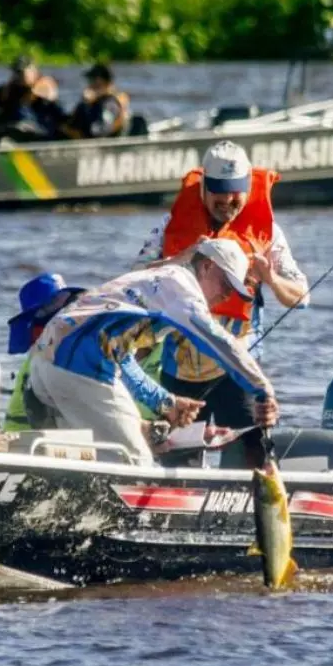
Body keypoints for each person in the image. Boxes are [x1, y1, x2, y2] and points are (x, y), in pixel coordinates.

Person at [131, 141, 309, 470]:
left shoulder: (268, 234)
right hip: (179, 372)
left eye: (235, 194)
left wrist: (269, 278)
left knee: (254, 463)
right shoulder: (170, 227)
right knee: (176, 467)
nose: (227, 202)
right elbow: (133, 280)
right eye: (219, 194)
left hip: (236, 375)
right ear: (202, 189)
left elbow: (302, 296)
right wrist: (181, 258)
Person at [28, 238, 280, 465]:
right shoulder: (181, 287)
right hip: (76, 368)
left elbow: (116, 354)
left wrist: (165, 401)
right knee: (136, 462)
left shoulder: (152, 282)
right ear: (207, 266)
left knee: (83, 457)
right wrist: (262, 388)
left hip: (45, 364)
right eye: (226, 284)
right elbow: (219, 341)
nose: (227, 295)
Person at [3, 273, 86, 432]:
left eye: (68, 300)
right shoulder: (51, 351)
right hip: (25, 437)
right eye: (57, 303)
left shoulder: (49, 347)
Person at [0, 54, 66, 144]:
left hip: (36, 138)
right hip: (8, 136)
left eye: (21, 72)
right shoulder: (8, 91)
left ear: (33, 71)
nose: (18, 76)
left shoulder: (43, 91)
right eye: (16, 72)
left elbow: (60, 118)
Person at [61, 63, 131, 139]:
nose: (89, 84)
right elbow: (71, 124)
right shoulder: (90, 103)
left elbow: (99, 132)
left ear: (102, 82)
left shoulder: (109, 104)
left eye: (92, 80)